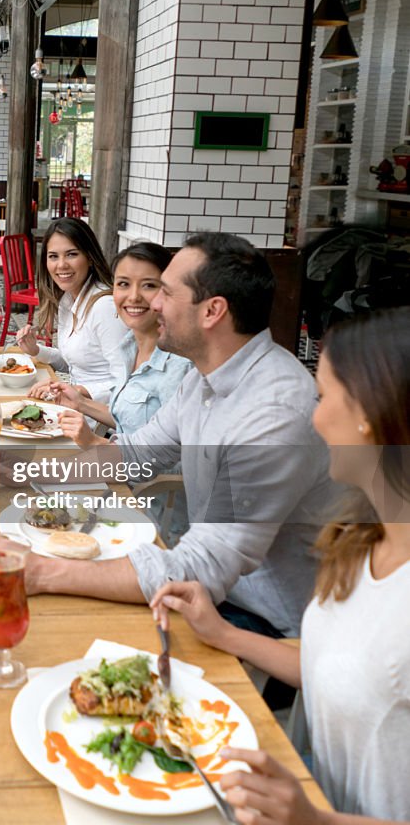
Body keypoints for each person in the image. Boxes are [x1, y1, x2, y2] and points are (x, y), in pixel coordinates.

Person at [0, 232, 341, 637]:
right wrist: (26, 469)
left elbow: (203, 565)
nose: (153, 303)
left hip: (259, 620)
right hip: (206, 585)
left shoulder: (273, 413)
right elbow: (133, 454)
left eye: (164, 291)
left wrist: (43, 573)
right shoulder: (206, 376)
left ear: (212, 311)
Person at [152, 307, 410, 824]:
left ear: (372, 414)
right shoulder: (361, 540)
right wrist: (223, 634)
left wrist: (317, 821)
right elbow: (336, 666)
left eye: (324, 396)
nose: (313, 416)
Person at [44, 241, 191, 435]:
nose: (133, 296)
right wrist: (81, 403)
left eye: (148, 285)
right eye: (123, 284)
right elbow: (127, 421)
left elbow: (170, 453)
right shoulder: (128, 348)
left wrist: (95, 443)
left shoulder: (180, 366)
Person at [18, 218, 129, 401]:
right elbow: (74, 362)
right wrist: (35, 350)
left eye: (71, 254)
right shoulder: (68, 300)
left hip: (101, 420)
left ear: (90, 257)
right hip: (77, 408)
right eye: (53, 256)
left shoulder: (104, 306)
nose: (61, 265)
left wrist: (75, 390)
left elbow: (125, 382)